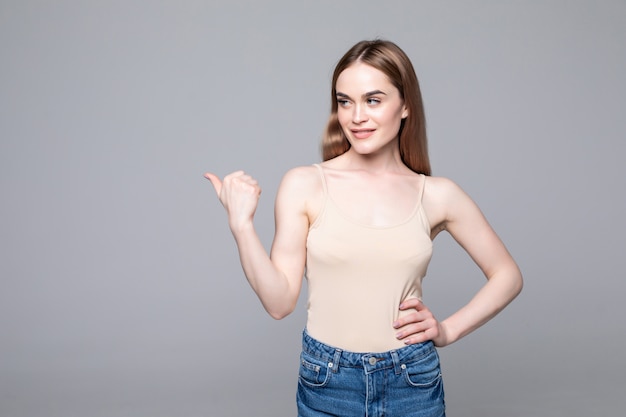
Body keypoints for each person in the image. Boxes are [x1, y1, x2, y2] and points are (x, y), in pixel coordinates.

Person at [205, 39, 523, 417]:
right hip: (328, 381)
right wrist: (241, 226)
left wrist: (447, 331)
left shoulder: (437, 195)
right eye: (345, 101)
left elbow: (507, 275)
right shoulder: (305, 184)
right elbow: (279, 303)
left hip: (412, 381)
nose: (357, 116)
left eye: (373, 100)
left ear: (405, 106)